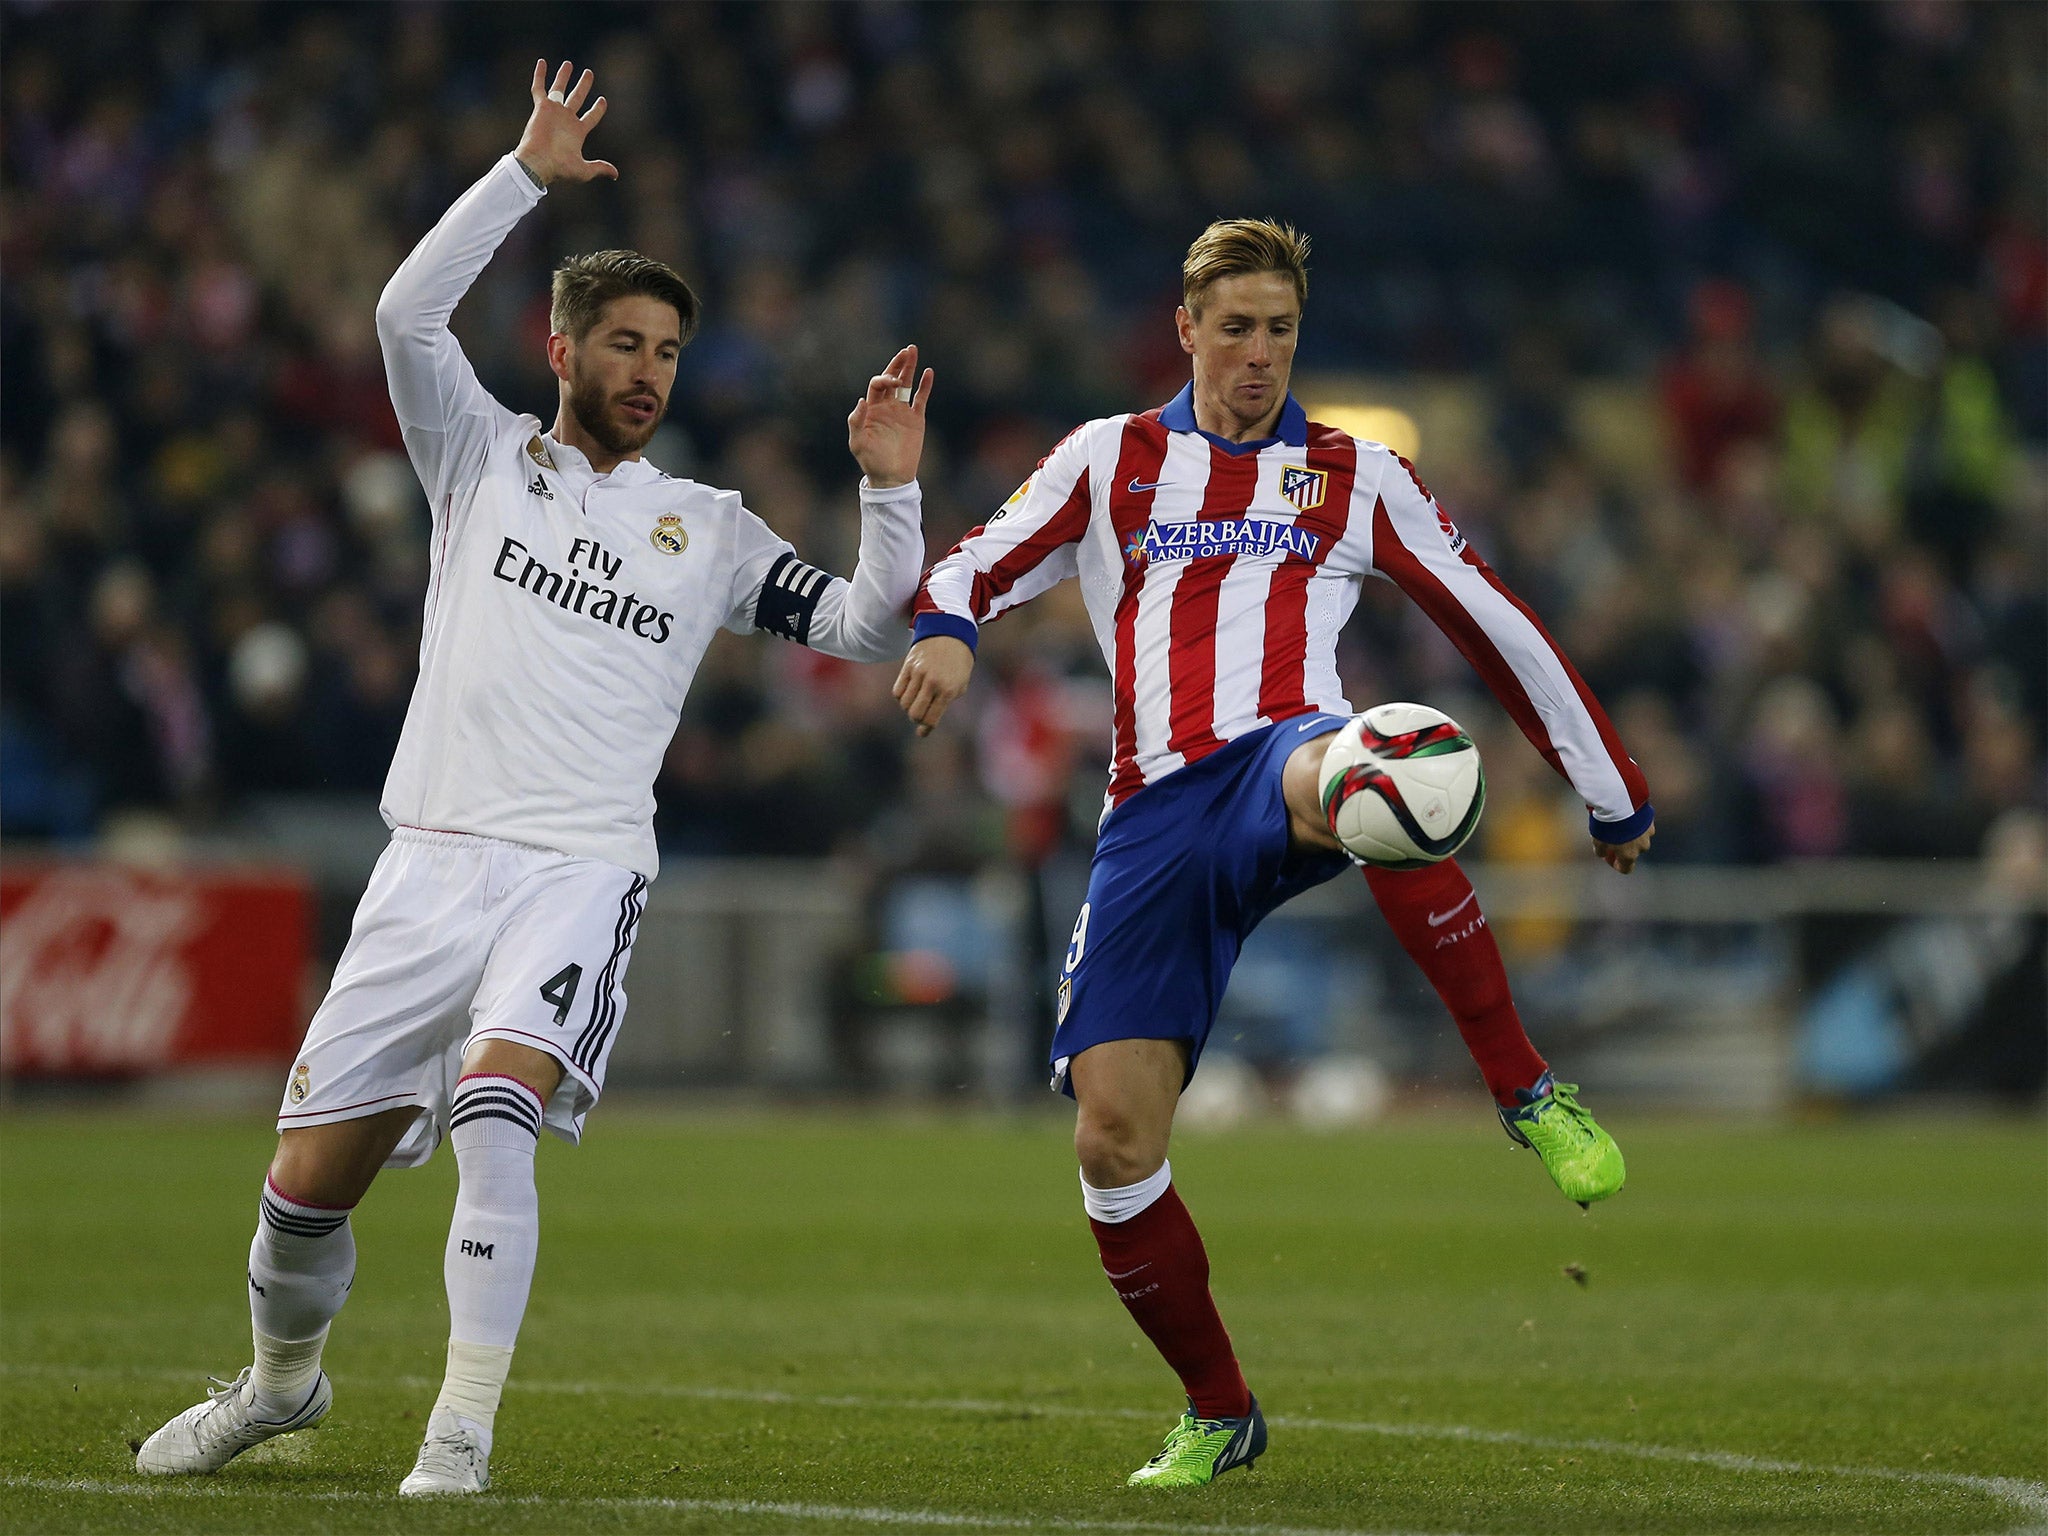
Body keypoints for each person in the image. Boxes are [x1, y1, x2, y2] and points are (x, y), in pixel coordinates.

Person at [136, 61, 933, 1496]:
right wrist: (521, 175)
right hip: (428, 862)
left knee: (502, 1109)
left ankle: (461, 1429)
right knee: (299, 1196)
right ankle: (277, 1385)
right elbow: (399, 316)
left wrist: (890, 488)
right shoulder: (478, 458)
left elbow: (872, 622)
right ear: (561, 352)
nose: (648, 370)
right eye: (622, 342)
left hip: (576, 868)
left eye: (668, 352)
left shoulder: (711, 530)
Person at [893, 219, 1654, 1488]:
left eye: (1281, 330)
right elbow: (974, 561)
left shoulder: (1354, 475)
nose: (1258, 355)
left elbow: (1494, 621)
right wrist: (948, 630)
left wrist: (1607, 785)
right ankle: (1218, 1409)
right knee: (1111, 1145)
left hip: (1280, 760)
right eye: (1234, 328)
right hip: (1151, 820)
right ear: (1183, 328)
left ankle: (1524, 1090)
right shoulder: (1109, 462)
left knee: (1387, 769)